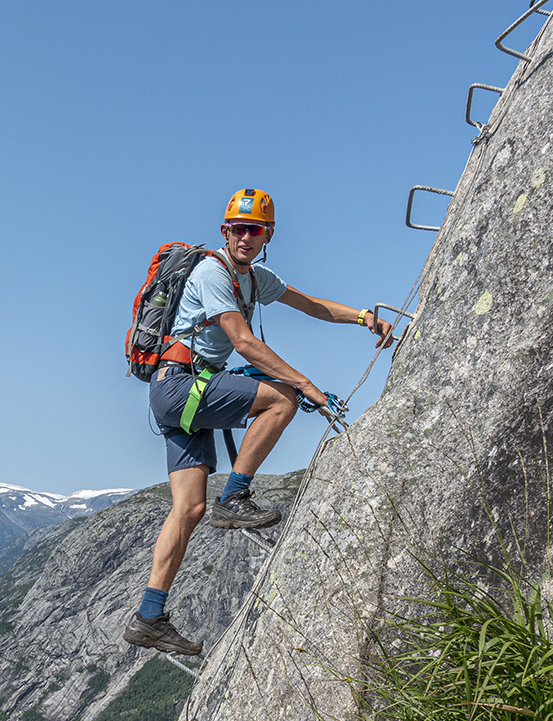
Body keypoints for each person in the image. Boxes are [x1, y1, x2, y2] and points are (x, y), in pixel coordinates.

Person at [124, 188, 392, 657]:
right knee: (282, 400)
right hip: (180, 387)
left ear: (267, 236)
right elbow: (244, 343)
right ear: (225, 232)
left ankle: (149, 616)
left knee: (188, 510)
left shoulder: (254, 279)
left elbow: (310, 304)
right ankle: (235, 496)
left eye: (255, 229)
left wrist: (363, 317)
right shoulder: (212, 273)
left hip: (177, 392)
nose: (246, 237)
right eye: (238, 229)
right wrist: (304, 383)